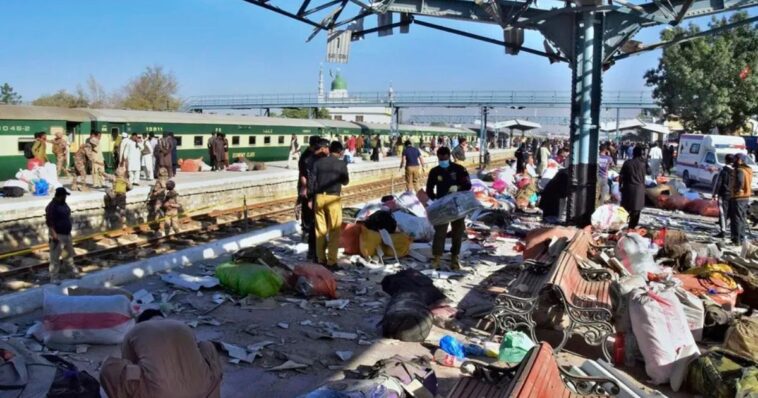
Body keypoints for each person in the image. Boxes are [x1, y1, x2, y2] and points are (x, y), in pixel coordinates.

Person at [99, 309, 222, 398]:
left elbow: (129, 363)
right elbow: (196, 351)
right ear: (162, 317)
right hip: (202, 390)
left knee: (110, 367)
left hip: (158, 393)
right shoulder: (182, 326)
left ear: (141, 321)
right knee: (207, 346)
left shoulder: (135, 331)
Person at [426, 147, 472, 270]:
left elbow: (468, 185)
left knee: (457, 232)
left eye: (444, 158)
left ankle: (454, 257)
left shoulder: (459, 169)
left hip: (457, 205)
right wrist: (435, 200)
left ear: (449, 156)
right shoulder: (434, 171)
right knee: (440, 232)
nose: (442, 161)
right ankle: (436, 258)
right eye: (440, 159)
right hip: (442, 206)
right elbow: (429, 189)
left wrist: (458, 187)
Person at [311, 141, 349, 267]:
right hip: (333, 199)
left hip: (319, 197)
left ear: (330, 149)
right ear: (340, 151)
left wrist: (311, 198)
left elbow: (312, 181)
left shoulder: (318, 163)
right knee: (334, 230)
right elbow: (345, 182)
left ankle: (321, 259)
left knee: (320, 230)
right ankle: (331, 261)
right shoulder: (341, 164)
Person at [298, 136, 324, 261]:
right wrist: (309, 193)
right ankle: (314, 250)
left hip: (311, 190)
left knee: (313, 221)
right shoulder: (308, 158)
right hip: (310, 192)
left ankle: (313, 249)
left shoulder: (309, 155)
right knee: (312, 220)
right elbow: (305, 176)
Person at [45, 187, 79, 283]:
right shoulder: (52, 207)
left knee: (68, 255)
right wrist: (54, 235)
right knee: (55, 257)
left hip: (66, 234)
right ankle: (54, 277)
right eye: (65, 196)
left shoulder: (63, 204)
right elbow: (50, 222)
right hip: (57, 235)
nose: (66, 197)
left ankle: (70, 272)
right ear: (61, 196)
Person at [620, 146, 647, 229]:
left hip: (628, 189)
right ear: (642, 153)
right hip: (639, 190)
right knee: (636, 211)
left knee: (624, 210)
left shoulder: (627, 163)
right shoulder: (644, 163)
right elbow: (649, 171)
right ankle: (631, 228)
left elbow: (621, 176)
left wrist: (619, 186)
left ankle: (620, 227)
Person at [730, 154, 752, 245]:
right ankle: (741, 237)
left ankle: (736, 239)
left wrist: (736, 190)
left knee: (736, 219)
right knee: (742, 218)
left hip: (738, 197)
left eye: (736, 159)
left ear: (740, 160)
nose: (734, 161)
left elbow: (740, 182)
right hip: (745, 197)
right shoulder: (748, 170)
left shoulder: (740, 170)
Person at [712, 154, 734, 239]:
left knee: (722, 213)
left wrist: (714, 194)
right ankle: (727, 229)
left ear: (726, 160)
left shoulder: (723, 171)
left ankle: (723, 231)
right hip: (732, 195)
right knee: (729, 213)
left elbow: (718, 183)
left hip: (723, 194)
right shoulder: (735, 171)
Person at [147, 168, 170, 233]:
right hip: (161, 196)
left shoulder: (161, 179)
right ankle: (161, 225)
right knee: (160, 211)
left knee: (157, 210)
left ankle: (159, 226)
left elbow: (163, 187)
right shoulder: (164, 178)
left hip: (160, 197)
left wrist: (157, 192)